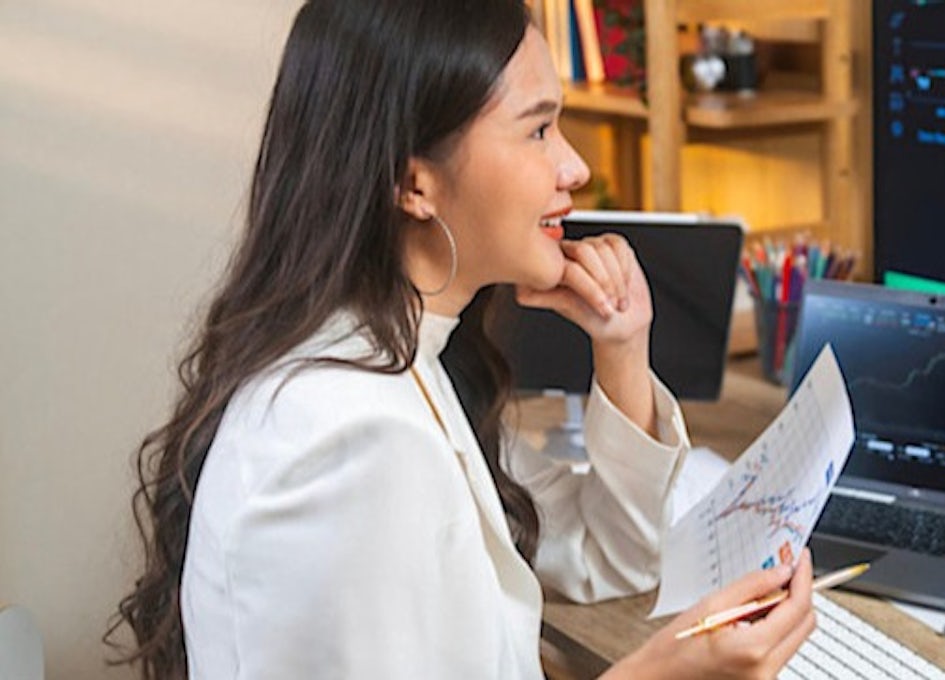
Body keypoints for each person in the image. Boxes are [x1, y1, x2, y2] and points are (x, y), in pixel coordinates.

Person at [106, 1, 816, 677]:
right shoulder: (360, 441)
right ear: (414, 184)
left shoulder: (408, 365)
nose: (576, 168)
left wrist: (623, 349)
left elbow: (606, 555)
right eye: (538, 130)